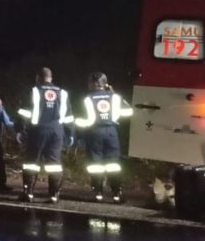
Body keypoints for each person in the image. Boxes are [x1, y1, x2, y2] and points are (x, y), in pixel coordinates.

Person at [17, 67, 74, 203]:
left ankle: (28, 193)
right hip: (56, 131)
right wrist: (70, 133)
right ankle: (54, 195)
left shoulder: (34, 91)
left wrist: (20, 129)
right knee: (54, 163)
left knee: (32, 162)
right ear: (51, 78)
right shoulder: (63, 93)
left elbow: (25, 113)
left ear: (38, 78)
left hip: (38, 131)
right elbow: (69, 116)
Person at [75, 72, 133, 203]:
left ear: (94, 83)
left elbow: (84, 120)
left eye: (89, 82)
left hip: (94, 132)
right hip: (111, 132)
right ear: (105, 84)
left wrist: (79, 126)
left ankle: (98, 193)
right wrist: (113, 93)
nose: (88, 84)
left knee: (96, 164)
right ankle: (117, 194)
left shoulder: (87, 99)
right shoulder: (115, 97)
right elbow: (129, 112)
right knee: (113, 164)